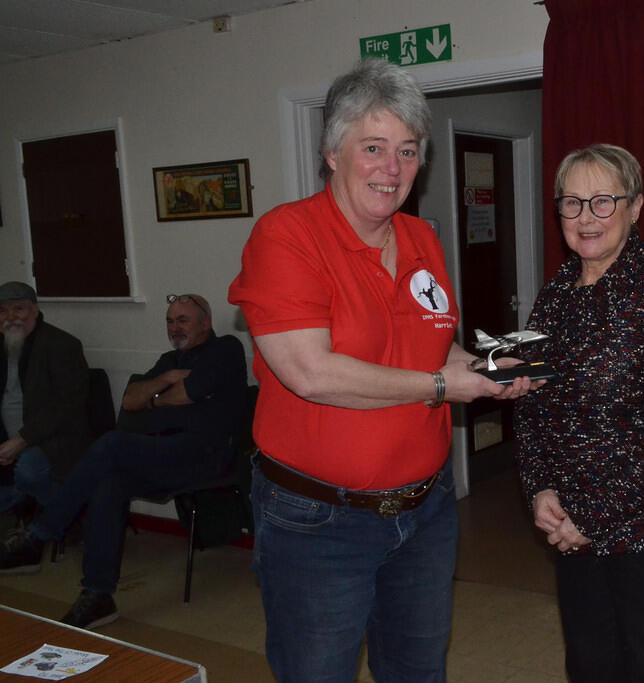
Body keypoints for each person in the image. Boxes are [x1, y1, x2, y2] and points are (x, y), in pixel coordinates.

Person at [228, 58, 539, 683]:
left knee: (419, 672)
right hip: (319, 521)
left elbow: (434, 353)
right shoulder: (286, 237)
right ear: (331, 152)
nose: (392, 169)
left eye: (407, 150)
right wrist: (447, 387)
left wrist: (499, 364)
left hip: (425, 513)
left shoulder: (421, 237)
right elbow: (312, 373)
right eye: (373, 147)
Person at [514, 143, 644, 682]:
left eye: (603, 201)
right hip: (570, 521)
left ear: (636, 207)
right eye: (572, 203)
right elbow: (527, 404)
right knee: (590, 660)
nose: (586, 218)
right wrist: (540, 490)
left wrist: (593, 519)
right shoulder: (552, 297)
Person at [0, 293, 247, 630]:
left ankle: (39, 535)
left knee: (113, 443)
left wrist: (156, 400)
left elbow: (184, 394)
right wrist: (162, 383)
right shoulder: (168, 361)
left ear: (205, 323)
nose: (175, 327)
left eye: (183, 320)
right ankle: (98, 595)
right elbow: (130, 400)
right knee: (108, 484)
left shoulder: (226, 349)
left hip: (206, 456)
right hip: (164, 455)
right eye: (170, 321)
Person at [0, 281, 89, 519]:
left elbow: (66, 406)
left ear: (35, 311)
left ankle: (66, 515)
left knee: (28, 472)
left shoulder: (62, 345)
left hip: (53, 439)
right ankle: (26, 510)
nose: (11, 317)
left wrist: (22, 439)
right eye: (3, 310)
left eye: (19, 309)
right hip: (7, 437)